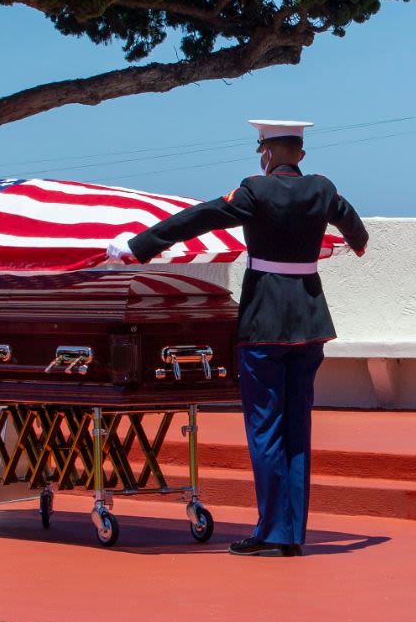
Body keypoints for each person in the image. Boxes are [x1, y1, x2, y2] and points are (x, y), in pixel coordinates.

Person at [110, 120, 368, 557]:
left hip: (264, 324)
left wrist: (140, 247)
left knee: (265, 429)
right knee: (296, 429)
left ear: (266, 153)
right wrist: (355, 244)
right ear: (300, 155)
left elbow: (198, 218)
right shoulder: (322, 189)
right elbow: (356, 232)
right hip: (309, 324)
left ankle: (271, 530)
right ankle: (290, 534)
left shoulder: (253, 190)